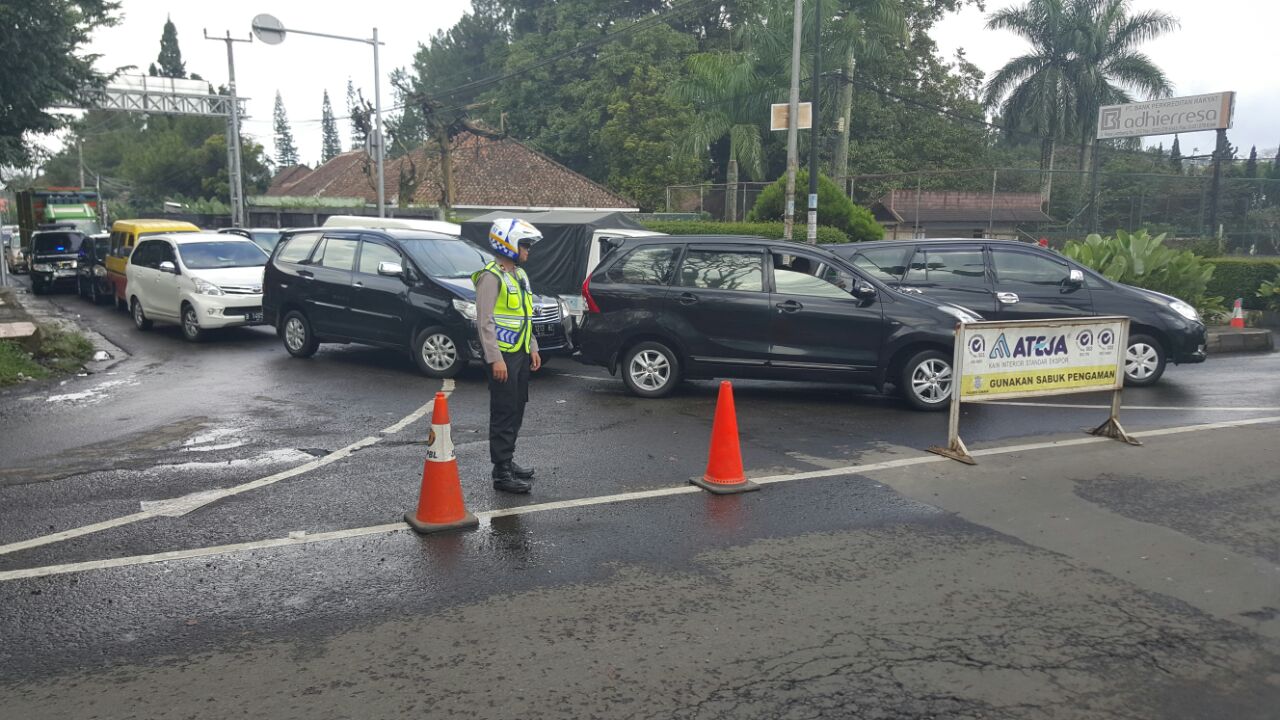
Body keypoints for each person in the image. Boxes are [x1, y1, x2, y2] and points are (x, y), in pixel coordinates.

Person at [473, 218, 543, 494]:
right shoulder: (491, 277)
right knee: (503, 412)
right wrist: (495, 358)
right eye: (525, 245)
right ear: (509, 244)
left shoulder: (520, 276)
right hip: (503, 357)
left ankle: (507, 461)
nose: (528, 250)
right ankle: (501, 473)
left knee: (516, 408)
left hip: (521, 354)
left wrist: (533, 347)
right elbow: (484, 321)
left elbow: (525, 316)